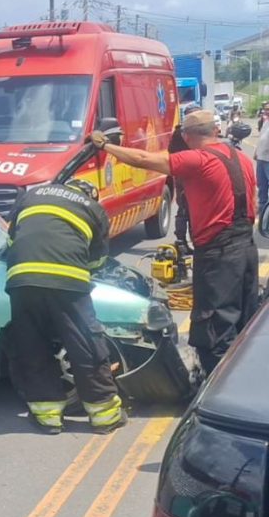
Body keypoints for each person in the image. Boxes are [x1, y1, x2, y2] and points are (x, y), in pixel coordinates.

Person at [93, 109, 258, 373]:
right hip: (246, 248)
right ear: (216, 130)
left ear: (187, 136)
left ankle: (216, 387)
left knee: (214, 328)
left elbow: (142, 159)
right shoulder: (241, 158)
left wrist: (106, 146)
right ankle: (245, 375)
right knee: (246, 321)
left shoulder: (198, 160)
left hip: (219, 255)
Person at [5, 179, 123, 435]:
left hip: (22, 280)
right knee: (86, 345)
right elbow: (97, 260)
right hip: (67, 282)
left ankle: (47, 417)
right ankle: (105, 416)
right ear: (90, 194)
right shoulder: (93, 208)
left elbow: (11, 238)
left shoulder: (31, 195)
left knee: (32, 346)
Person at [169, 104, 202, 251]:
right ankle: (182, 241)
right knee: (185, 209)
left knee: (189, 209)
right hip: (186, 174)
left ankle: (189, 240)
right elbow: (172, 152)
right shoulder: (181, 133)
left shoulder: (186, 132)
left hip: (193, 174)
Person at [255, 109, 269, 217]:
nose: (266, 111)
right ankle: (262, 211)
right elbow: (261, 139)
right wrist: (256, 152)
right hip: (261, 159)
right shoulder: (265, 122)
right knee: (261, 186)